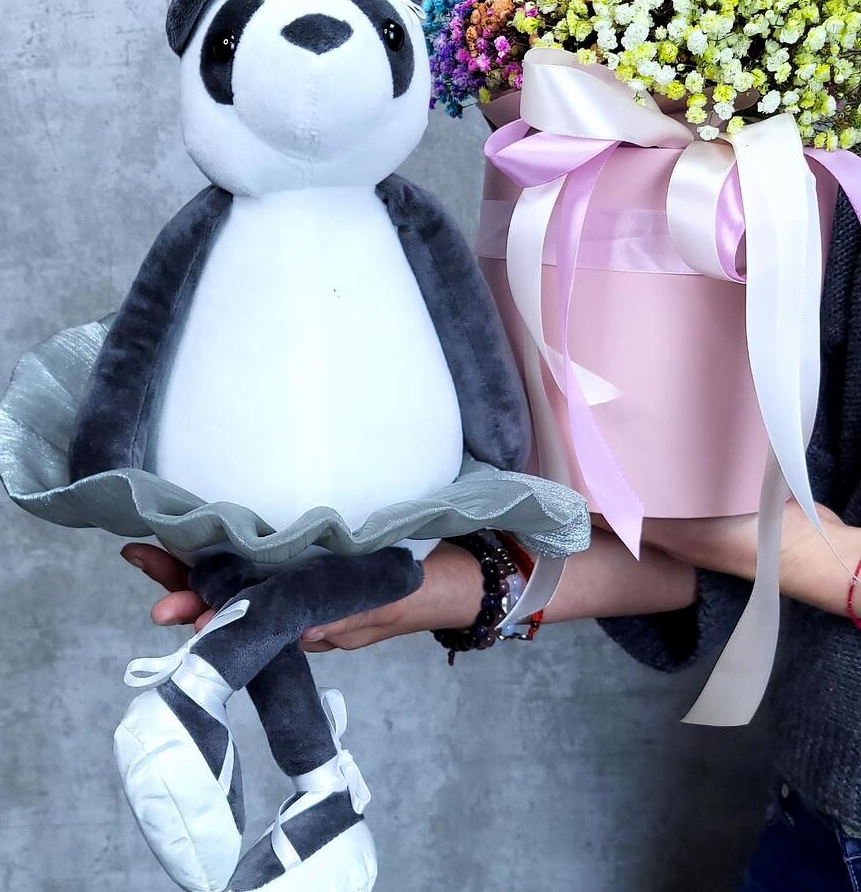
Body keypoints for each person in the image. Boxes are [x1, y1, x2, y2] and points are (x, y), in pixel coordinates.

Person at [120, 194, 861, 890]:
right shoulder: (825, 180)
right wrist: (419, 589)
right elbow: (773, 531)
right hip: (816, 820)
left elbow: (764, 538)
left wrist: (604, 487)